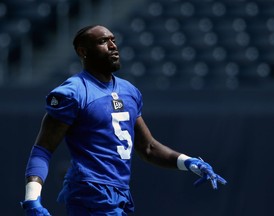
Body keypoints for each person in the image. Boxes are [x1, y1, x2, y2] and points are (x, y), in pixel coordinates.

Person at [21, 25, 227, 216]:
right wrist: (32, 198)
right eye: (103, 41)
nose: (113, 46)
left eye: (113, 40)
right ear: (83, 52)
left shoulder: (129, 91)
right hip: (91, 191)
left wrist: (188, 162)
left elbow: (148, 148)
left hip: (119, 192)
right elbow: (43, 149)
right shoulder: (73, 93)